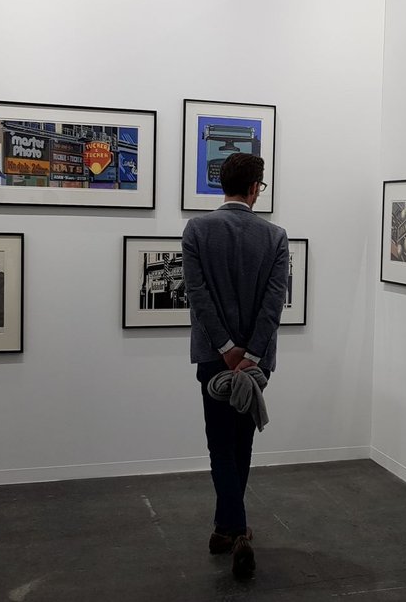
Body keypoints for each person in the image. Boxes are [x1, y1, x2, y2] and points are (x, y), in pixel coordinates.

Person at [181, 152, 288, 579]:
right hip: (257, 363)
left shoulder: (196, 230)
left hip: (213, 357)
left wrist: (225, 348)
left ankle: (232, 528)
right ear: (254, 188)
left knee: (219, 444)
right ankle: (230, 528)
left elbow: (197, 294)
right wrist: (251, 355)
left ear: (220, 186)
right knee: (241, 443)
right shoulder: (275, 236)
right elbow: (273, 303)